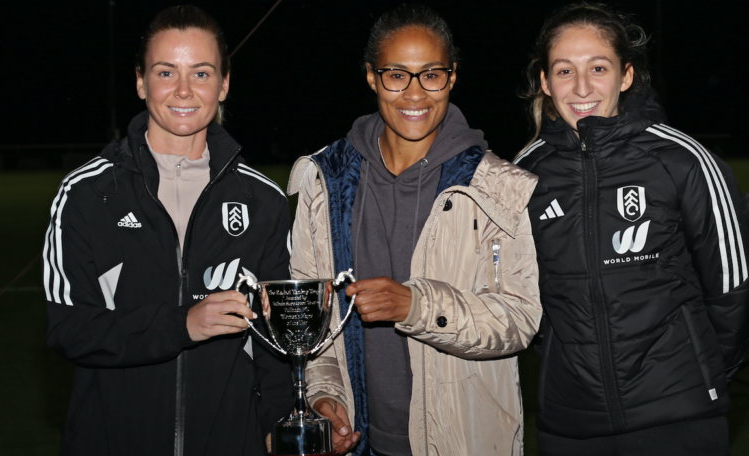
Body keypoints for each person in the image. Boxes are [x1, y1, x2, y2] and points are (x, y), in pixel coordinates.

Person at [288, 5, 542, 456]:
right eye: (396, 75)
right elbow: (316, 318)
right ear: (371, 77)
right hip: (360, 442)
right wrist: (325, 396)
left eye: (431, 74)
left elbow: (519, 320)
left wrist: (417, 305)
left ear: (452, 76)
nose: (414, 93)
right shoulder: (325, 181)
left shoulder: (494, 187)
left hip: (462, 442)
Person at [43, 6, 293, 455]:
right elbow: (70, 329)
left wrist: (279, 425)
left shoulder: (265, 202)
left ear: (224, 83)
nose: (183, 90)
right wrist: (182, 324)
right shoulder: (86, 194)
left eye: (201, 72)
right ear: (141, 82)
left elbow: (275, 343)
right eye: (165, 72)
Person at [514, 3, 749, 455]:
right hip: (571, 426)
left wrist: (699, 377)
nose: (582, 87)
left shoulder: (683, 160)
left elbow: (732, 289)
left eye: (598, 68)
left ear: (626, 75)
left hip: (678, 419)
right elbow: (525, 304)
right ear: (544, 81)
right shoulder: (524, 176)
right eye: (564, 71)